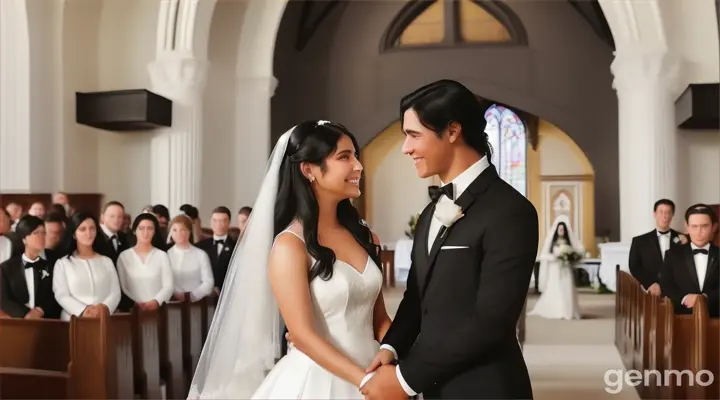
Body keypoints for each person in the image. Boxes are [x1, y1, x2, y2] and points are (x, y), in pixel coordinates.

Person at [188, 121, 391, 399]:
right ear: (309, 170)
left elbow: (380, 319)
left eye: (355, 155)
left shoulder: (366, 237)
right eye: (345, 157)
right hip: (321, 380)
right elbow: (304, 335)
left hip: (373, 369)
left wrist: (394, 359)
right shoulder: (290, 246)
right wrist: (365, 382)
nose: (358, 165)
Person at [363, 79, 539, 399]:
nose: (406, 148)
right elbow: (417, 298)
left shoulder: (511, 211)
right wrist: (391, 346)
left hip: (485, 387)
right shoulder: (431, 212)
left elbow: (491, 323)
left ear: (453, 131)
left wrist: (405, 380)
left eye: (414, 135)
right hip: (434, 386)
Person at [52, 212, 121, 320]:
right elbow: (61, 294)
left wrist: (104, 308)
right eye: (82, 229)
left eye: (92, 228)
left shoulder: (106, 261)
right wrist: (84, 310)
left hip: (103, 319)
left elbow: (115, 292)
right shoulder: (63, 263)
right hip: (72, 320)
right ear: (74, 234)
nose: (88, 233)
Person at [660, 204, 719, 318]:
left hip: (716, 317)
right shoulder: (672, 255)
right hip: (680, 318)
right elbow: (666, 285)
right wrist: (685, 298)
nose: (699, 231)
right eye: (694, 226)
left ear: (713, 227)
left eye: (704, 226)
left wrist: (705, 298)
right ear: (687, 227)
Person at [528, 215, 583, 320]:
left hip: (566, 270)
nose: (561, 230)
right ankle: (558, 310)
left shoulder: (569, 243)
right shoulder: (552, 243)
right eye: (560, 229)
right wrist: (554, 257)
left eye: (563, 229)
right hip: (555, 270)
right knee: (556, 289)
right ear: (557, 230)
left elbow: (575, 253)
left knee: (567, 289)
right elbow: (543, 255)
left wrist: (569, 256)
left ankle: (568, 311)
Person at [628, 199, 686, 296]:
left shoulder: (683, 239)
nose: (665, 216)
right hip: (651, 289)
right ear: (654, 214)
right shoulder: (639, 241)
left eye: (668, 212)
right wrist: (649, 283)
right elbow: (635, 266)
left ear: (672, 215)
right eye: (661, 212)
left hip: (678, 290)